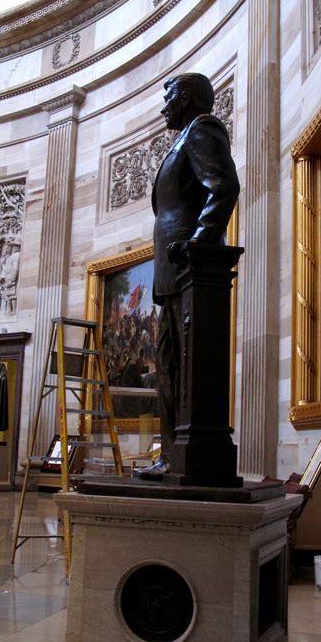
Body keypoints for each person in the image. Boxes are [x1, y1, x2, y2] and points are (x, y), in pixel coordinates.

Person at [137, 73, 240, 480]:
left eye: (171, 97)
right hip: (174, 269)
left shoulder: (203, 130)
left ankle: (187, 456)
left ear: (191, 98)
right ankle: (169, 455)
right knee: (168, 363)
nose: (165, 107)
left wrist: (200, 239)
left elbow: (224, 186)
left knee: (185, 360)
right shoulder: (180, 140)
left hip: (191, 266)